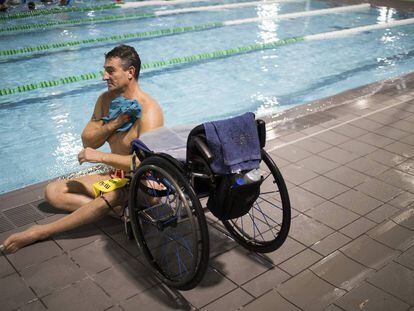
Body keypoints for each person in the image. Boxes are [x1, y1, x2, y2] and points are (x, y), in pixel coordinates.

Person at [2, 45, 164, 253]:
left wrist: (101, 157)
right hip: (116, 177)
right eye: (105, 70)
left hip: (143, 183)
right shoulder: (106, 100)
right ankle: (122, 211)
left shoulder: (150, 110)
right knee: (53, 191)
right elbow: (88, 141)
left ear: (130, 72)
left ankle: (40, 231)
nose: (104, 77)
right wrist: (113, 124)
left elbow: (144, 163)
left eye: (111, 70)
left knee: (112, 195)